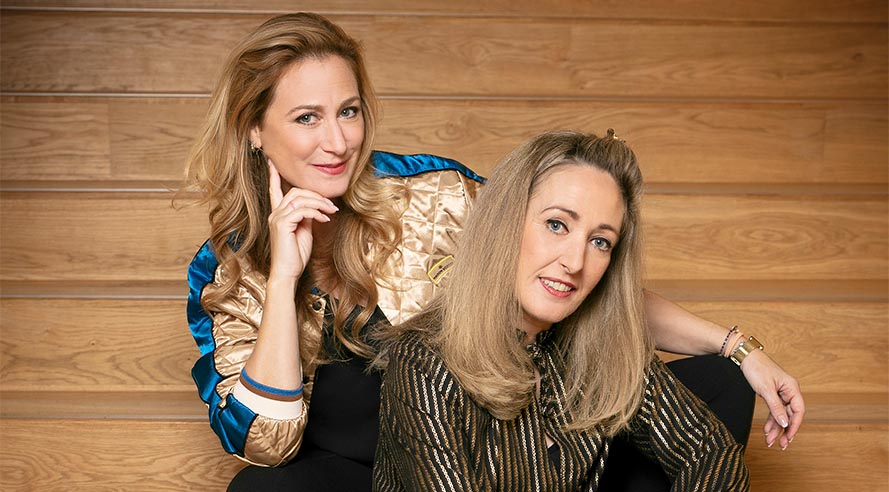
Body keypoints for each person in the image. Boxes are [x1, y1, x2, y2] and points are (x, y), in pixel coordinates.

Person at [183, 12, 802, 492]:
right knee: (263, 488)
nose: (338, 141)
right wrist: (284, 276)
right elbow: (265, 443)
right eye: (307, 118)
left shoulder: (437, 191)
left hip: (509, 441)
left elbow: (567, 273)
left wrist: (735, 346)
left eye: (348, 112)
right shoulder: (225, 274)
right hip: (377, 474)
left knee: (719, 386)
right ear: (254, 129)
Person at [374, 130, 749, 491]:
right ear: (503, 223)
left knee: (725, 383)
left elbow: (711, 452)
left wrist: (742, 349)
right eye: (557, 225)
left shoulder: (599, 341)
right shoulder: (423, 362)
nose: (575, 262)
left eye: (600, 242)